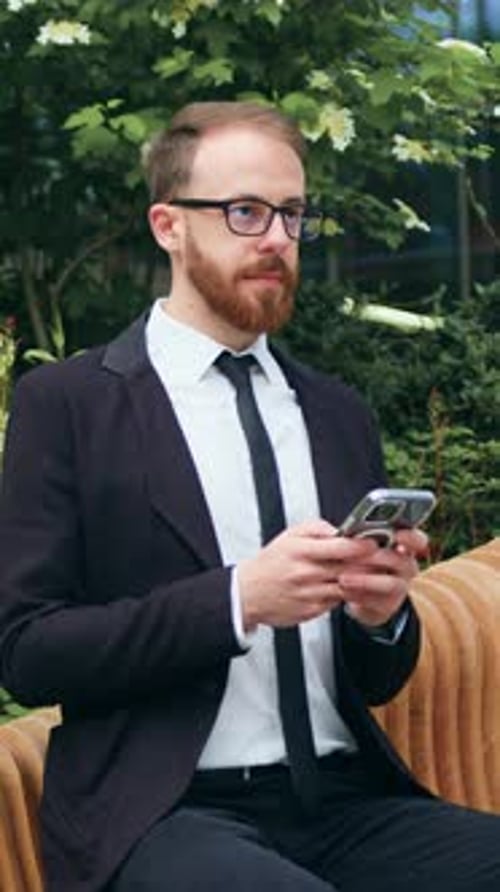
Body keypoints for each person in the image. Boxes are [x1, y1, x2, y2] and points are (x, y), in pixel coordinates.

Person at [0, 101, 498, 892]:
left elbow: (376, 678)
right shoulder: (67, 405)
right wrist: (236, 600)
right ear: (168, 225)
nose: (276, 238)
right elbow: (30, 652)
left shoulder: (337, 411)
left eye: (293, 214)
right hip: (163, 814)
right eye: (244, 212)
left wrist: (380, 616)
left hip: (346, 801)